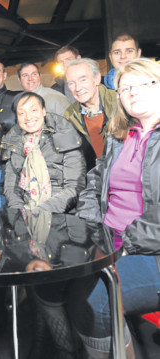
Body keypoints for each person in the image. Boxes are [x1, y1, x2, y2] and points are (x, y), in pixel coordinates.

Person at [68, 57, 160, 358]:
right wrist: (92, 227)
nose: (132, 92)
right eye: (124, 88)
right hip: (110, 240)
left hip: (150, 251)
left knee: (97, 301)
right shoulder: (119, 134)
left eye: (143, 84)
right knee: (64, 285)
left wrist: (122, 245)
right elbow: (95, 183)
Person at [1, 92, 85, 213]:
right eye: (21, 113)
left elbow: (74, 187)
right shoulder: (13, 141)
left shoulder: (65, 135)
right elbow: (11, 188)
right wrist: (19, 214)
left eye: (34, 110)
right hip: (25, 212)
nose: (28, 117)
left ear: (44, 111)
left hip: (61, 214)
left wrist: (40, 212)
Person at [64, 58, 117, 171]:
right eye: (71, 83)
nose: (77, 88)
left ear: (96, 78)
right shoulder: (70, 115)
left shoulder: (119, 102)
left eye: (83, 80)